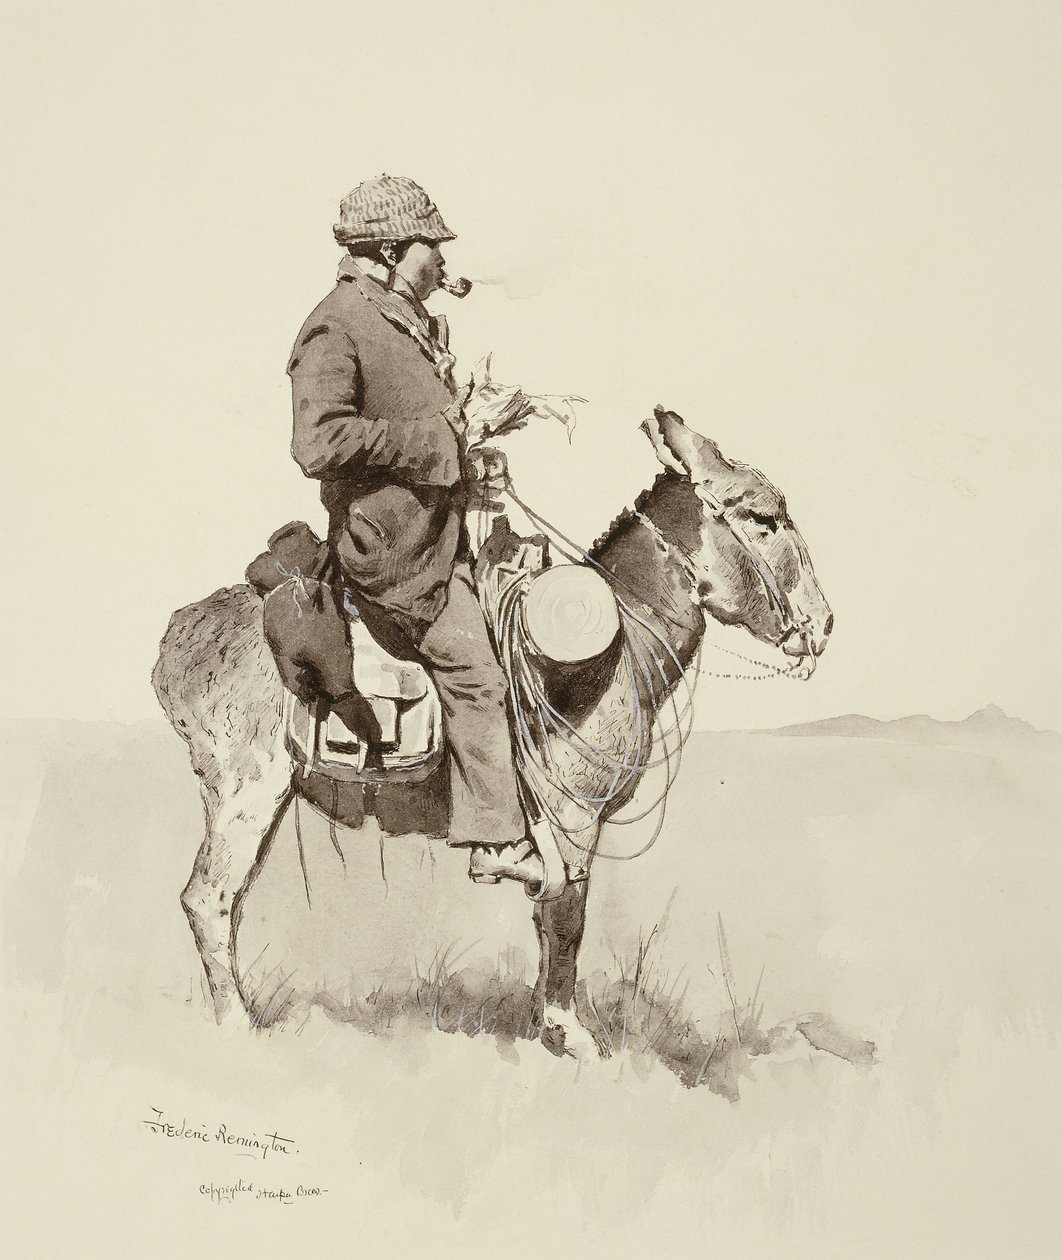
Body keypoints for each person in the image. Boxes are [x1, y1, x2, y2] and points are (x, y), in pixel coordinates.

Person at [286, 174, 560, 896]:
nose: (442, 259)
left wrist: (468, 464)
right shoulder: (335, 325)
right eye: (429, 247)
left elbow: (427, 428)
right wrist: (435, 445)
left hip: (442, 537)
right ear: (388, 251)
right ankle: (497, 840)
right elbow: (317, 443)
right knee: (476, 674)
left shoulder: (410, 318)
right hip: (396, 558)